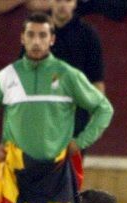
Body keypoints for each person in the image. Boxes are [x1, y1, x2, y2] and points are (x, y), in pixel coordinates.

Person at [0, 12, 113, 203]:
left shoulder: (67, 75)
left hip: (57, 169)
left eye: (42, 35)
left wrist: (80, 142)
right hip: (20, 169)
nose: (36, 41)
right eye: (31, 35)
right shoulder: (8, 76)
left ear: (51, 40)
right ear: (22, 39)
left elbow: (103, 108)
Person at [46, 0, 105, 139]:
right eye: (58, 0)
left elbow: (96, 79)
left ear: (74, 3)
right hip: (42, 108)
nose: (62, 5)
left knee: (72, 159)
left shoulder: (88, 34)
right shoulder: (37, 33)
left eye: (67, 0)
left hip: (76, 111)